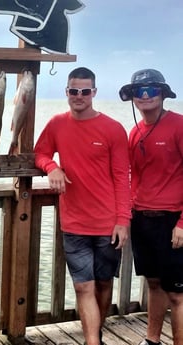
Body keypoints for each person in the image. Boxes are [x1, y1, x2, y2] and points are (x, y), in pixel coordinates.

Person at [34, 67, 131, 345]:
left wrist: (122, 220)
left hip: (107, 224)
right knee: (82, 286)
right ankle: (93, 341)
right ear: (66, 92)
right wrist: (52, 167)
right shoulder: (56, 124)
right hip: (74, 222)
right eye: (73, 91)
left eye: (85, 91)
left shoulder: (113, 129)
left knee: (103, 283)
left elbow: (121, 178)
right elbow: (39, 153)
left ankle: (95, 333)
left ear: (94, 93)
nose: (79, 96)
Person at [119, 69, 183, 345]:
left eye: (151, 90)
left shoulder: (179, 126)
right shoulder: (134, 132)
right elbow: (130, 175)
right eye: (139, 91)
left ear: (163, 93)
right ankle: (152, 340)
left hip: (173, 221)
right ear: (132, 97)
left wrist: (182, 223)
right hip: (142, 219)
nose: (145, 96)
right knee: (154, 283)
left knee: (177, 293)